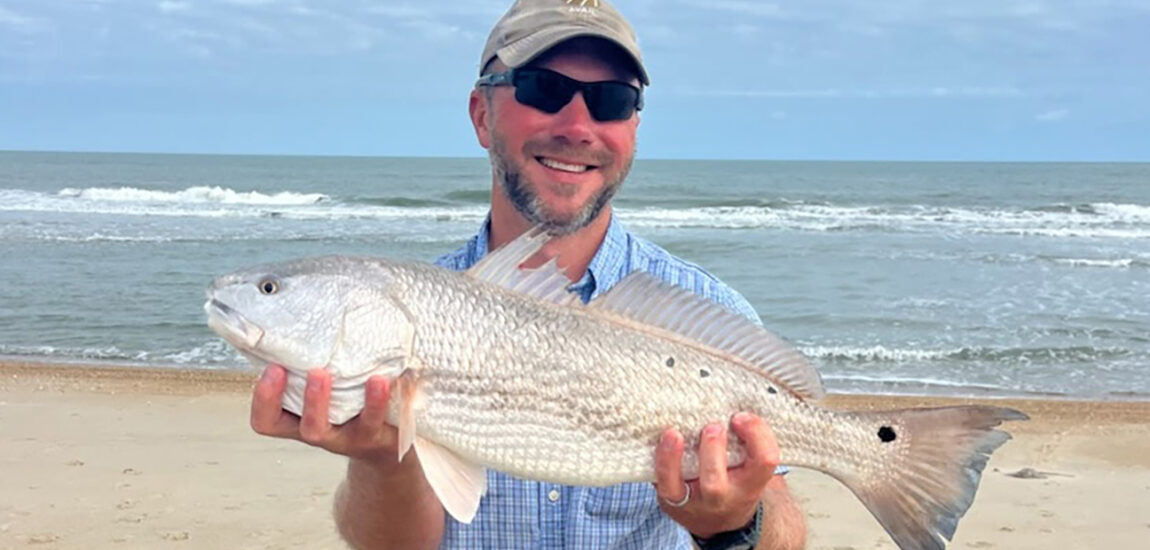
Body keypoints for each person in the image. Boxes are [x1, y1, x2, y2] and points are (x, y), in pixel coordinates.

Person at [249, 1, 808, 548]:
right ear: (481, 114)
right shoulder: (419, 312)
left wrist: (734, 525)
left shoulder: (708, 310)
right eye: (544, 89)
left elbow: (787, 535)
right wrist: (380, 459)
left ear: (633, 128)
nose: (577, 126)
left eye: (612, 100)